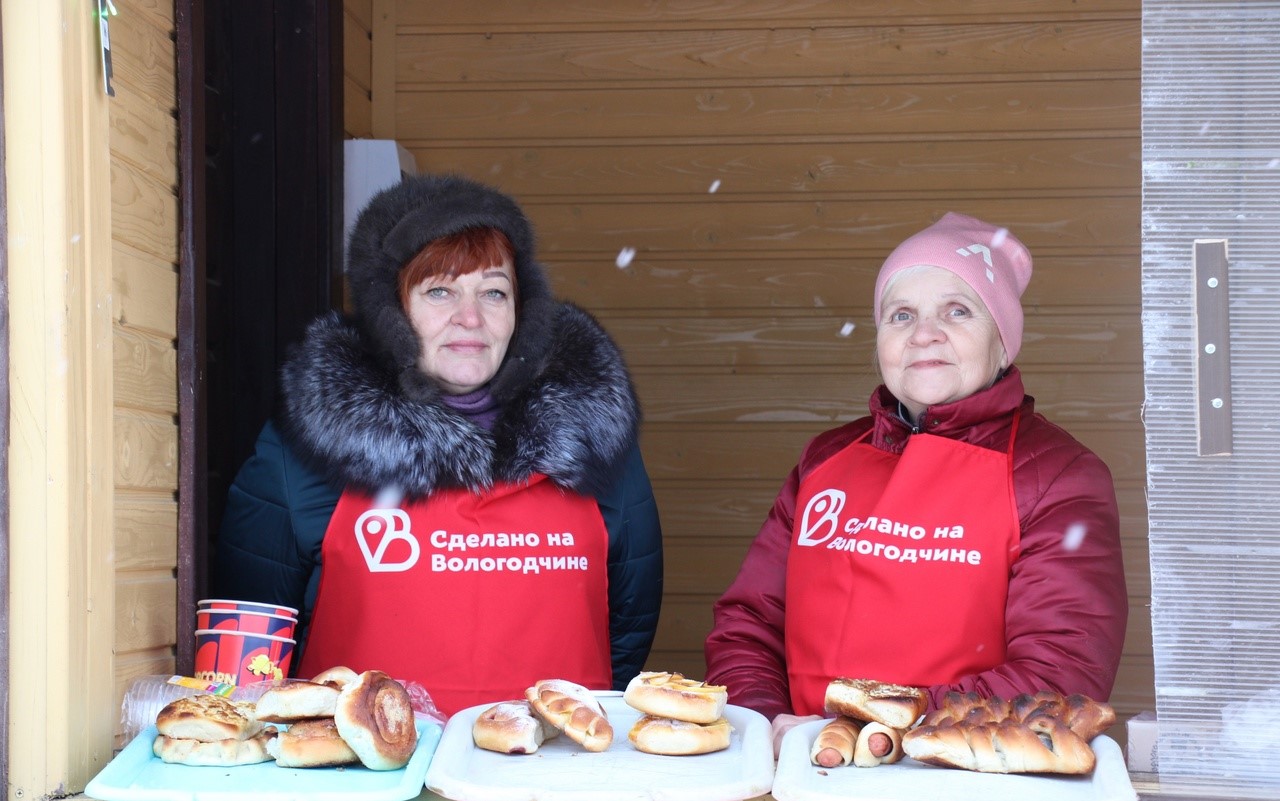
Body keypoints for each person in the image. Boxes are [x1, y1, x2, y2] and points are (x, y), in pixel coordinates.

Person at [213, 173, 663, 716]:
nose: (469, 318)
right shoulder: (306, 450)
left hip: (549, 775)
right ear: (392, 310)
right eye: (439, 291)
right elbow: (251, 648)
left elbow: (627, 629)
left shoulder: (594, 444)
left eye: (493, 291)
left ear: (522, 310)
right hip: (362, 782)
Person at [704, 212, 1127, 751]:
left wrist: (883, 733)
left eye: (957, 310)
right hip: (806, 769)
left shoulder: (1057, 476)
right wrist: (766, 723)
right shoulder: (827, 460)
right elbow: (749, 624)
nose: (925, 333)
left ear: (1002, 339)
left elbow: (1061, 670)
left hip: (960, 781)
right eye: (901, 315)